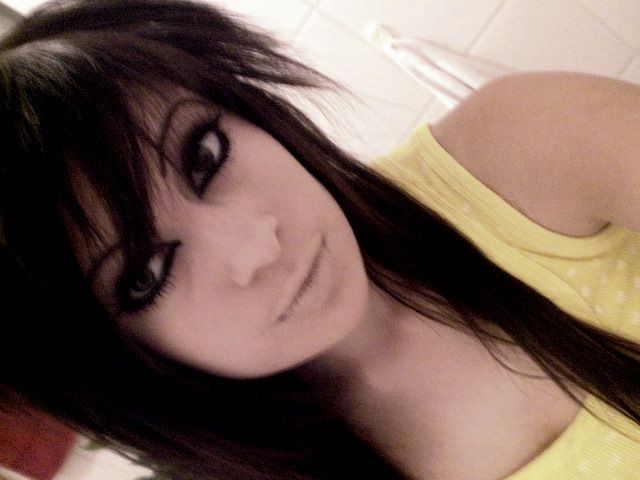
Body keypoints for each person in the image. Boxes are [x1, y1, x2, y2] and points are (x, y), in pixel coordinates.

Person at [0, 0, 638, 479]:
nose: (257, 248)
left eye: (206, 155)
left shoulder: (519, 150)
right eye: (147, 274)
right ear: (111, 361)